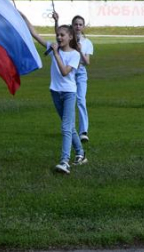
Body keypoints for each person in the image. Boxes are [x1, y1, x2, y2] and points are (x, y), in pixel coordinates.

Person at [22, 11, 86, 174]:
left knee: (65, 127)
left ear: (70, 37)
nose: (58, 38)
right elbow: (35, 34)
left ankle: (65, 161)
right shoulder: (53, 47)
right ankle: (80, 154)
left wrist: (56, 53)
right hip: (55, 92)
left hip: (69, 93)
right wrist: (22, 16)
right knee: (69, 126)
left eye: (62, 35)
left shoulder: (75, 55)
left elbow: (65, 72)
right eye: (57, 35)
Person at [71, 15, 93, 143]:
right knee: (69, 101)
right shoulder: (68, 40)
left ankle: (83, 131)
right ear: (72, 26)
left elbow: (87, 62)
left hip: (80, 73)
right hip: (69, 73)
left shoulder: (87, 43)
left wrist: (80, 51)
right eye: (76, 24)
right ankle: (70, 128)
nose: (78, 26)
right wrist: (56, 21)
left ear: (83, 26)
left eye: (80, 24)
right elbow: (58, 34)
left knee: (81, 100)